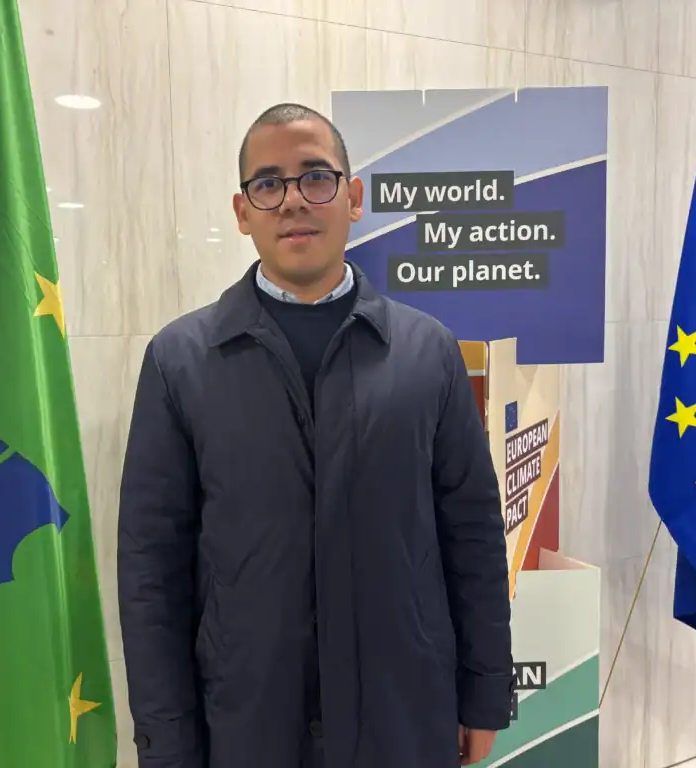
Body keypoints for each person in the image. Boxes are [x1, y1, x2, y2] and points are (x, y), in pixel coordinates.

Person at [117, 102, 514, 768]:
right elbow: (151, 569)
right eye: (268, 184)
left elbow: (472, 534)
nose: (293, 200)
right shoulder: (180, 361)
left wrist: (484, 695)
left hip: (403, 716)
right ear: (243, 212)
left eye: (316, 177)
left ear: (353, 198)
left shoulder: (427, 353)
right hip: (244, 725)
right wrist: (167, 737)